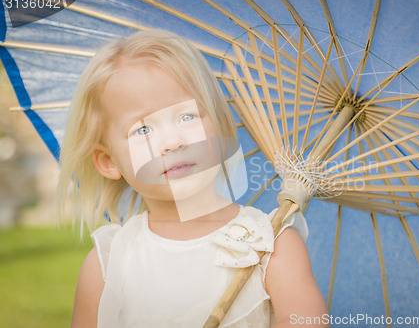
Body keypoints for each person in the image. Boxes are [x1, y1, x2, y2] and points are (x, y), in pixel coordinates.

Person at [57, 30, 328, 328]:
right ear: (109, 161)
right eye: (143, 130)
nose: (172, 142)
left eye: (187, 117)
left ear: (221, 126)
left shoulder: (271, 247)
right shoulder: (107, 266)